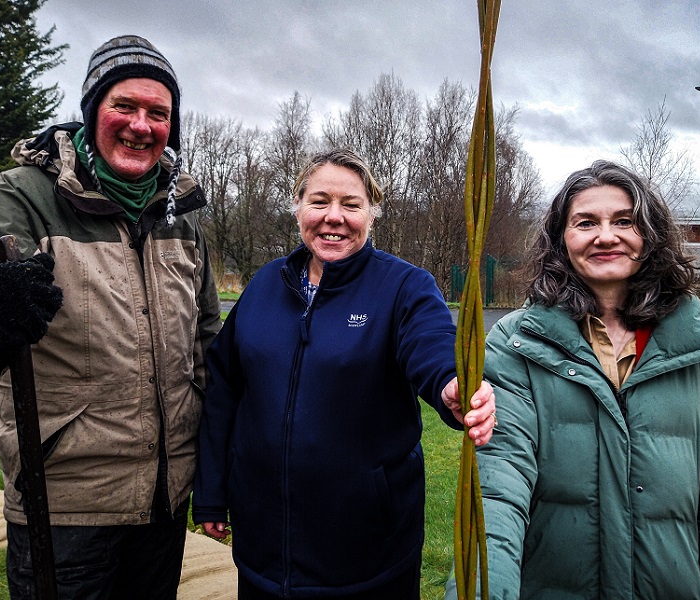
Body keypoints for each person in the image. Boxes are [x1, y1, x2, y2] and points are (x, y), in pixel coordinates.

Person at [0, 35, 222, 599]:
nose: (141, 125)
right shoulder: (24, 196)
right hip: (64, 504)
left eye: (159, 113)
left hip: (166, 499)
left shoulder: (181, 215)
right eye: (123, 106)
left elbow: (207, 340)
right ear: (91, 112)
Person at [446, 160, 700, 599]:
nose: (606, 236)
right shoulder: (516, 342)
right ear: (561, 238)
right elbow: (498, 487)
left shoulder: (699, 347)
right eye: (585, 222)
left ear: (649, 236)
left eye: (625, 221)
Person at [192, 148, 496, 599]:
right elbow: (224, 390)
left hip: (368, 556)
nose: (334, 217)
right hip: (262, 553)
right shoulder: (263, 286)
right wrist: (213, 490)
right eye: (319, 201)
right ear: (297, 208)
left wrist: (450, 383)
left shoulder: (403, 286)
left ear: (372, 213)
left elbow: (429, 344)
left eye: (351, 205)